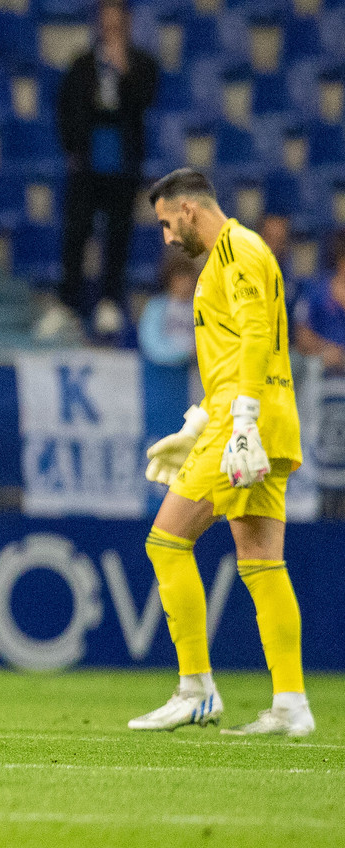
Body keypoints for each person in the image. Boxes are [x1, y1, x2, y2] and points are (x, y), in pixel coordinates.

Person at [133, 168, 313, 737]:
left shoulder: (237, 251)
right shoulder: (233, 256)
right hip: (266, 423)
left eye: (167, 223)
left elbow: (257, 336)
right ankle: (291, 703)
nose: (167, 237)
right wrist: (197, 425)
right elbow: (233, 356)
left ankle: (196, 690)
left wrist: (241, 423)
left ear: (188, 209)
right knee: (262, 563)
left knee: (166, 542)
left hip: (248, 424)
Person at [54, 0, 159, 339]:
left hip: (122, 166)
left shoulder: (141, 64)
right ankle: (68, 305)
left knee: (117, 236)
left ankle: (110, 303)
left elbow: (146, 100)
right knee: (77, 234)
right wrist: (72, 148)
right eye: (106, 21)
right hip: (87, 165)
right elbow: (65, 108)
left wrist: (124, 69)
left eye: (118, 22)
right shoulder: (82, 65)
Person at [292, 232, 345, 519]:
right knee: (324, 459)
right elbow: (301, 336)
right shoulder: (318, 291)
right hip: (322, 392)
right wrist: (328, 350)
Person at [142, 248, 200, 441]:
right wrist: (185, 353)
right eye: (180, 277)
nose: (185, 283)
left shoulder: (201, 307)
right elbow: (152, 345)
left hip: (193, 383)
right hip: (162, 384)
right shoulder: (156, 307)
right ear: (170, 279)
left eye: (188, 277)